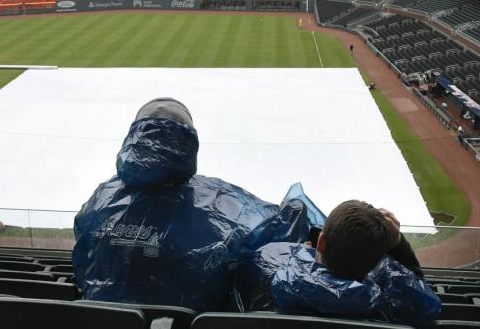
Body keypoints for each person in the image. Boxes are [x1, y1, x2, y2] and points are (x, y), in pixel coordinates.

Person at [72, 98, 304, 311]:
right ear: (189, 142)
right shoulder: (221, 200)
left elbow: (83, 264)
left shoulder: (102, 197)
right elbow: (278, 229)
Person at [240, 201, 440, 324]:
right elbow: (422, 298)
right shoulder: (389, 305)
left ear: (321, 241)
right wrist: (398, 244)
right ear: (379, 261)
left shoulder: (272, 270)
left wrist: (301, 255)